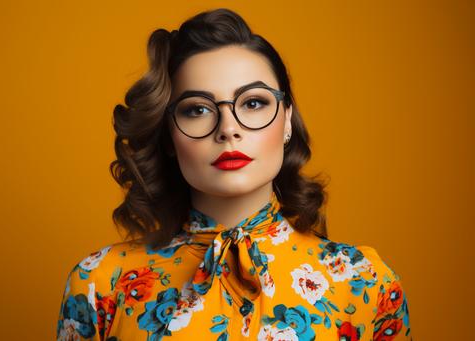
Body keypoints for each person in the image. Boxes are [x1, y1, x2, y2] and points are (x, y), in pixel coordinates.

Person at [56, 8, 411, 341]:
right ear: (168, 135)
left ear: (286, 119)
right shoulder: (101, 282)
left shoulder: (363, 281)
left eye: (253, 103)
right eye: (197, 109)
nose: (228, 129)